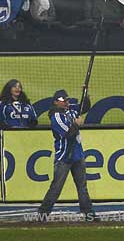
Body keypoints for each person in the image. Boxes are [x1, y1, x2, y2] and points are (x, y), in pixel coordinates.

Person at [37, 89, 97, 222]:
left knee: (82, 187)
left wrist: (85, 96)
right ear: (55, 103)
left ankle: (89, 213)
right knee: (56, 188)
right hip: (64, 157)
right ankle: (43, 213)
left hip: (77, 155)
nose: (66, 103)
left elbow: (84, 107)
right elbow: (68, 134)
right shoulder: (56, 117)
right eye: (63, 101)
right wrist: (76, 124)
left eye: (67, 100)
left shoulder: (71, 111)